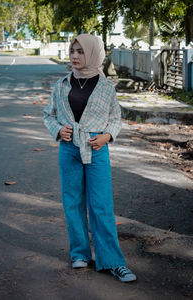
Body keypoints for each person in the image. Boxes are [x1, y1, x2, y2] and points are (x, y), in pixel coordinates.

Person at [43, 34, 136, 282]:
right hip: (69, 148)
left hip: (97, 148)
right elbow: (48, 115)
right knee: (72, 202)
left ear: (93, 53)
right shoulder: (62, 84)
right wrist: (57, 130)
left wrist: (107, 136)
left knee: (101, 205)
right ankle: (79, 253)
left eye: (80, 51)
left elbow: (116, 119)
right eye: (72, 51)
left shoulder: (106, 88)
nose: (74, 56)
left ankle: (113, 262)